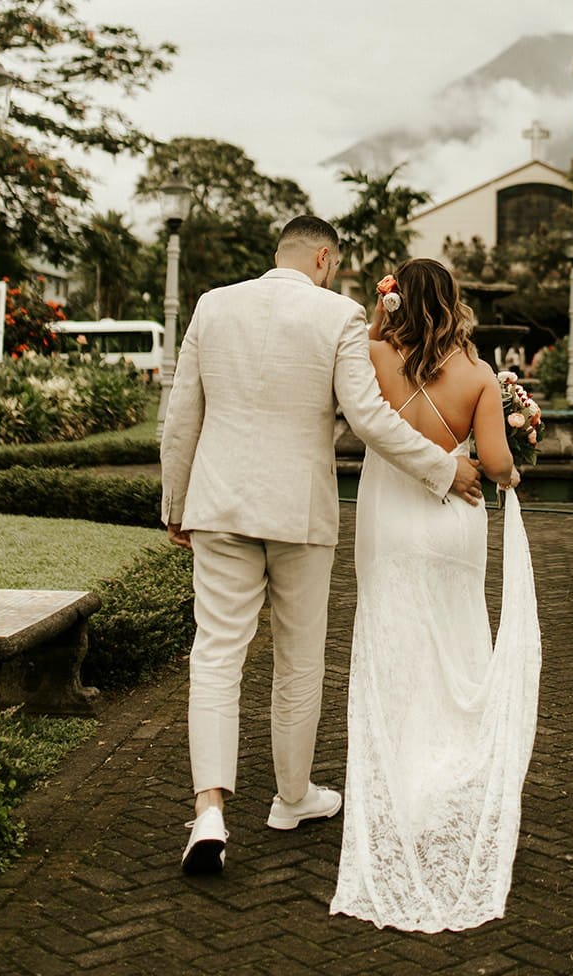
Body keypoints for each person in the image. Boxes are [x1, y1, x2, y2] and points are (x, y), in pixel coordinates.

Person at [159, 217, 483, 876]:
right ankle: (291, 797)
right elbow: (367, 419)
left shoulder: (212, 306)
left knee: (217, 654)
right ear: (323, 257)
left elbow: (180, 416)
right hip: (298, 512)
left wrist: (175, 503)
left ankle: (211, 809)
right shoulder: (337, 314)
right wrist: (443, 468)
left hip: (217, 503)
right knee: (299, 659)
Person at [330, 258, 541, 933]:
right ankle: (453, 779)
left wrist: (375, 319)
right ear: (453, 302)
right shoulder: (479, 376)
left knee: (394, 646)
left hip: (389, 519)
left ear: (394, 300)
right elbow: (498, 467)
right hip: (455, 525)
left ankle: (401, 785)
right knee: (453, 646)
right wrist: (517, 432)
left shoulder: (367, 355)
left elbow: (359, 415)